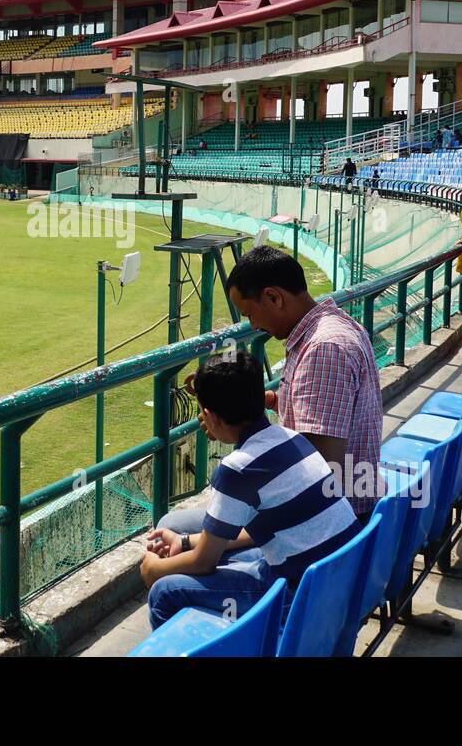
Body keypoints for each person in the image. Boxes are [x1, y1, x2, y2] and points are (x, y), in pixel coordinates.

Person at [141, 352, 358, 630]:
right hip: (341, 579)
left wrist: (152, 569)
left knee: (164, 592)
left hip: (299, 594)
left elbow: (203, 563)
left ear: (209, 416)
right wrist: (183, 543)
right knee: (219, 557)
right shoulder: (293, 438)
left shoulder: (236, 470)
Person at [226, 246, 384, 522]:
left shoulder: (323, 348)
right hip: (337, 506)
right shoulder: (332, 325)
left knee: (177, 530)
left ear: (273, 297)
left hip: (330, 521)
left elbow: (320, 470)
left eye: (249, 313)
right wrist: (273, 401)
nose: (252, 325)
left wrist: (237, 431)